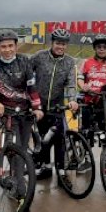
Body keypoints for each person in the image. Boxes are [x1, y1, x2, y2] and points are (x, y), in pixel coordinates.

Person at [0, 30, 43, 212]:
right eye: (3, 46)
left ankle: (17, 186)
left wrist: (37, 107)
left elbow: (31, 87)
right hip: (4, 112)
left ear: (16, 46)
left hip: (24, 112)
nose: (7, 50)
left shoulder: (24, 61)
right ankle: (21, 195)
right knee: (15, 155)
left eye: (11, 46)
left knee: (21, 152)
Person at [31, 28, 79, 187]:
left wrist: (72, 100)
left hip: (57, 107)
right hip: (39, 106)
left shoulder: (70, 62)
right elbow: (27, 73)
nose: (61, 47)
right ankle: (45, 168)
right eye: (58, 43)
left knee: (60, 140)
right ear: (52, 42)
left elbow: (71, 83)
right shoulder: (39, 56)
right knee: (42, 139)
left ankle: (61, 172)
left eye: (64, 44)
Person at [78, 34, 106, 147]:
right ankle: (87, 158)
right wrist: (83, 86)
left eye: (104, 47)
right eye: (99, 47)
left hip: (104, 101)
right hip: (88, 100)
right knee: (86, 132)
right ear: (95, 48)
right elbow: (80, 79)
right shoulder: (86, 62)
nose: (102, 49)